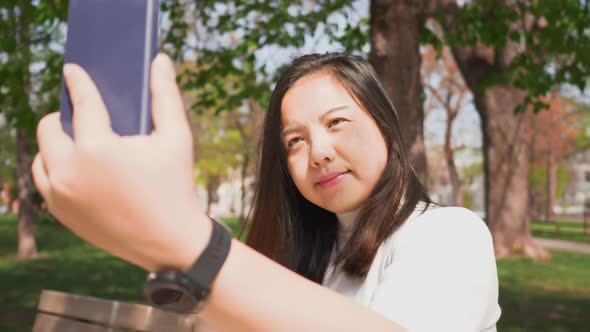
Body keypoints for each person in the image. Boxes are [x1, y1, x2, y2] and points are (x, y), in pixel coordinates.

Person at [32, 52, 500, 331]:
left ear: (387, 131)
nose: (318, 152)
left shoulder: (449, 235)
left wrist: (189, 244)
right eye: (294, 141)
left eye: (336, 122)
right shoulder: (311, 256)